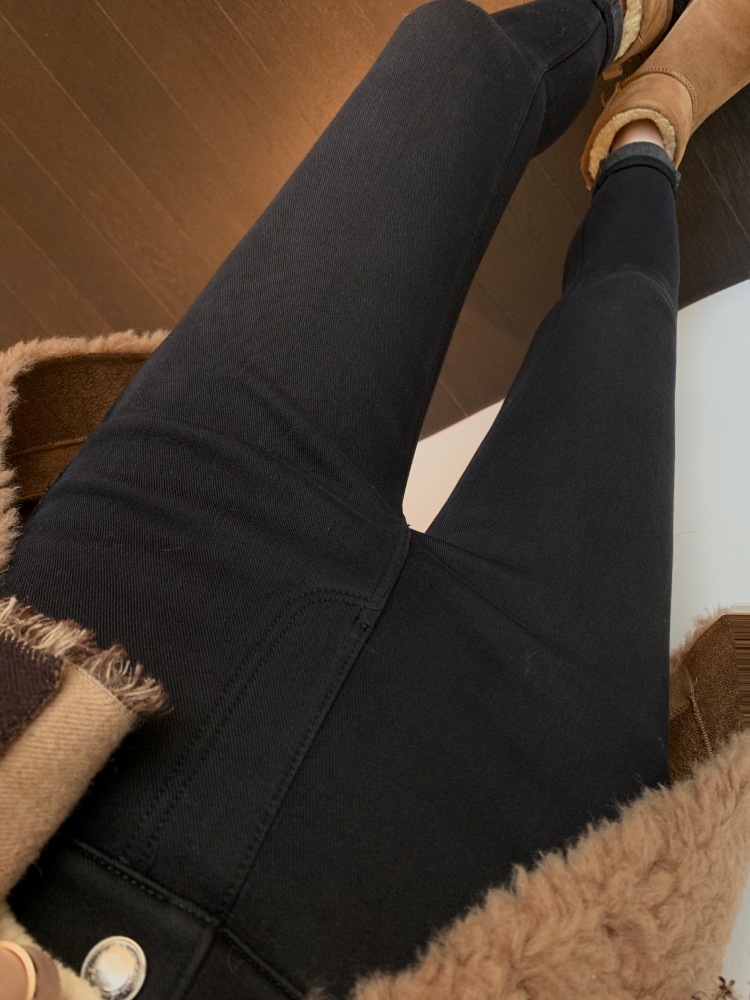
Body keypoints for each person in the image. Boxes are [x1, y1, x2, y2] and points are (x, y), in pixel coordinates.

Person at [0, 0, 749, 997]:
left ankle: (608, 20)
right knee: (626, 327)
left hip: (105, 639)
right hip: (493, 865)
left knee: (449, 65)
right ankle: (648, 133)